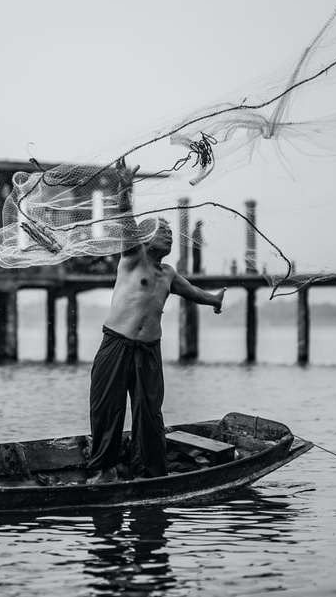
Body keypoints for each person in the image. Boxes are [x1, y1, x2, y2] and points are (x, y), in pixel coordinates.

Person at [86, 158, 226, 483]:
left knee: (149, 413)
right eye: (162, 231)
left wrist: (214, 300)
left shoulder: (168, 274)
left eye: (170, 233)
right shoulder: (133, 258)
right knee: (107, 406)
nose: (169, 236)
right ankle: (105, 471)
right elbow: (124, 220)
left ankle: (150, 472)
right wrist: (124, 186)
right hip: (117, 344)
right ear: (147, 239)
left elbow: (191, 292)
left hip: (149, 350)